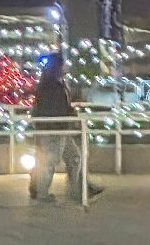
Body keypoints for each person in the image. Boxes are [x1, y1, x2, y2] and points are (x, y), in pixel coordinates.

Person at [30, 53, 102, 203]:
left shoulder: (56, 83)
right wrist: (66, 118)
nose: (65, 68)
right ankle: (41, 193)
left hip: (61, 128)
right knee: (49, 161)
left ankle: (78, 189)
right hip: (53, 129)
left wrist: (69, 114)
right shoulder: (50, 86)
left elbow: (60, 106)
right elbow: (52, 109)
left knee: (74, 157)